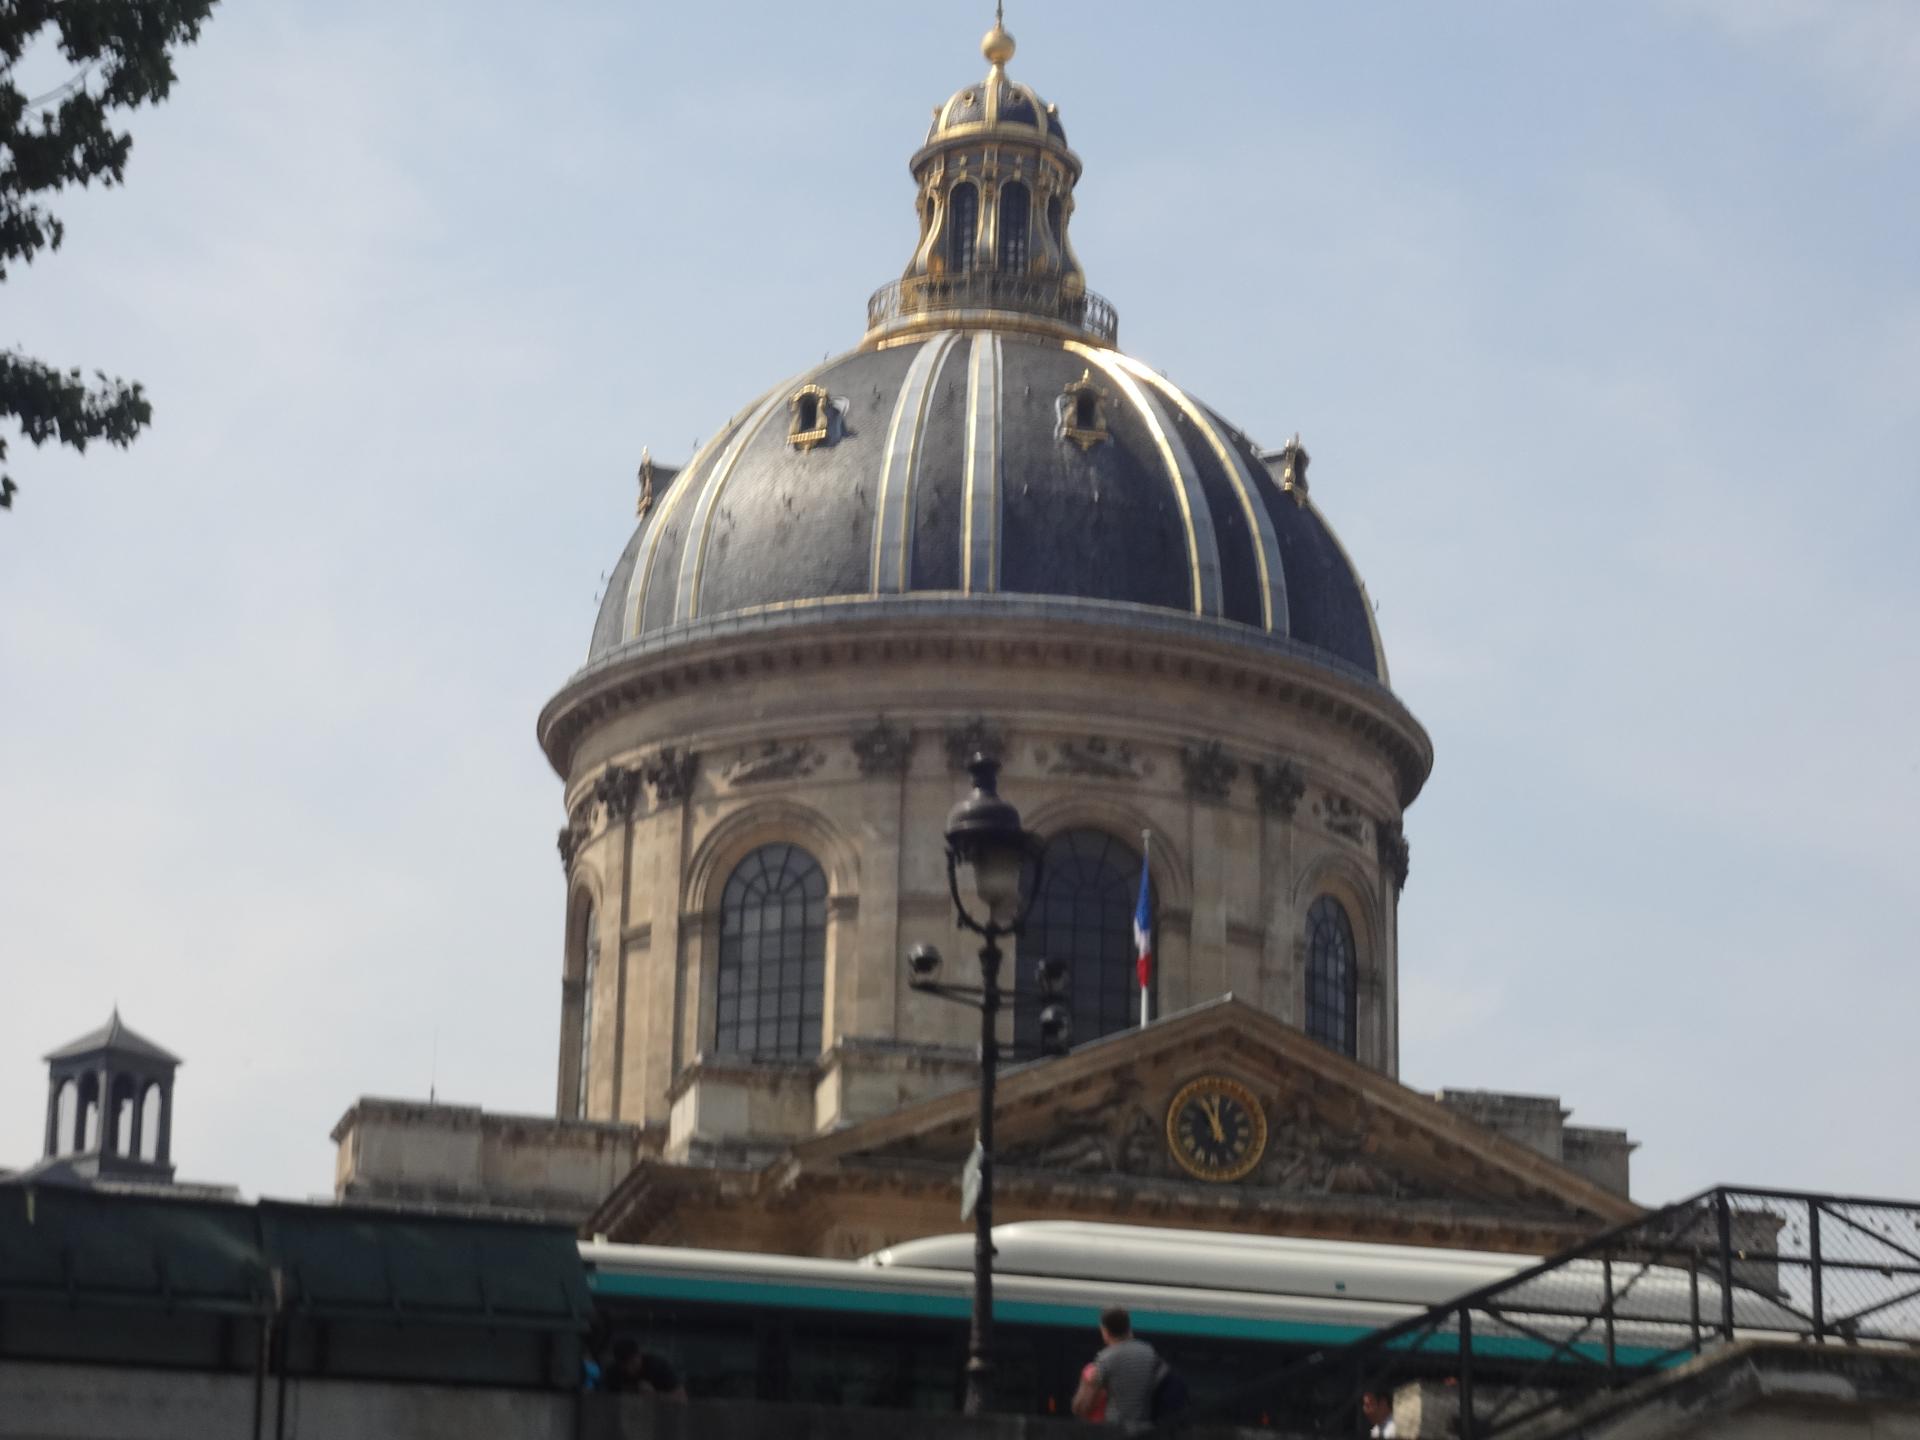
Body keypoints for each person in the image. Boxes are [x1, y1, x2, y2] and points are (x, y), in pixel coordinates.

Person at [1072, 1306, 1160, 1426]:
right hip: (1146, 1429)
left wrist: (1087, 1381)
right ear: (1129, 1328)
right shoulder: (1149, 1353)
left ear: (1105, 1331)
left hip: (1117, 1430)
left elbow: (1084, 1406)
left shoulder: (1106, 1359)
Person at [604, 1335, 688, 1400]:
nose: (629, 1369)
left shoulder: (658, 1367)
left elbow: (682, 1398)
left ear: (639, 1356)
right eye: (624, 1366)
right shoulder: (613, 1373)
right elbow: (602, 1399)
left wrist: (654, 1395)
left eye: (633, 1363)